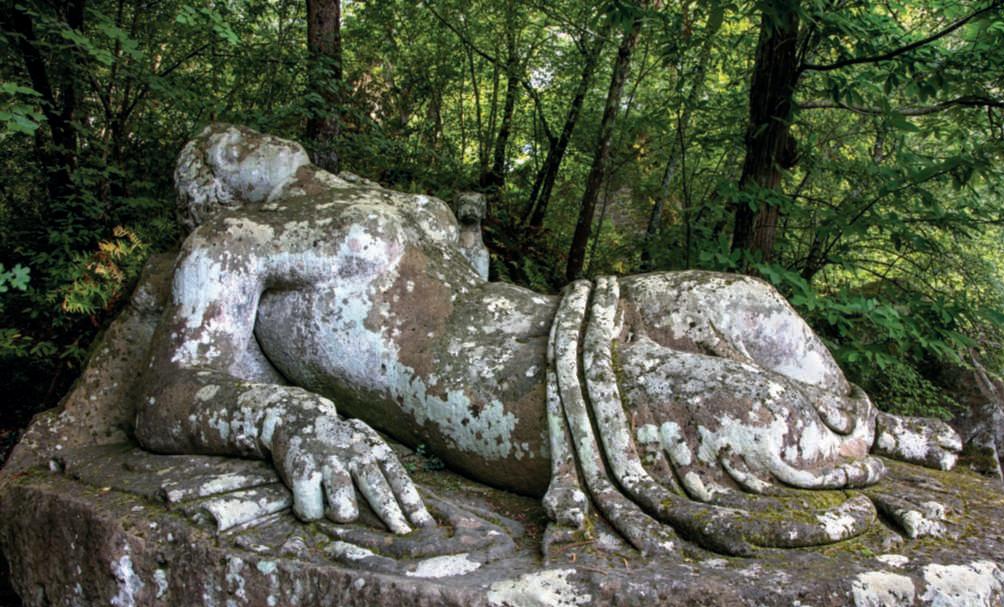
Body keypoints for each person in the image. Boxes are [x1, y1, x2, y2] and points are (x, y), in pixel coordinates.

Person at [136, 125, 961, 556]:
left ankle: (874, 421)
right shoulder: (233, 240)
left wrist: (462, 240)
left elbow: (450, 284)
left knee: (754, 305)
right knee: (780, 427)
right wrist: (288, 422)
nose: (251, 138)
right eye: (224, 146)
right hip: (507, 390)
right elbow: (169, 395)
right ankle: (848, 435)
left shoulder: (380, 198)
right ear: (211, 188)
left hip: (564, 309)